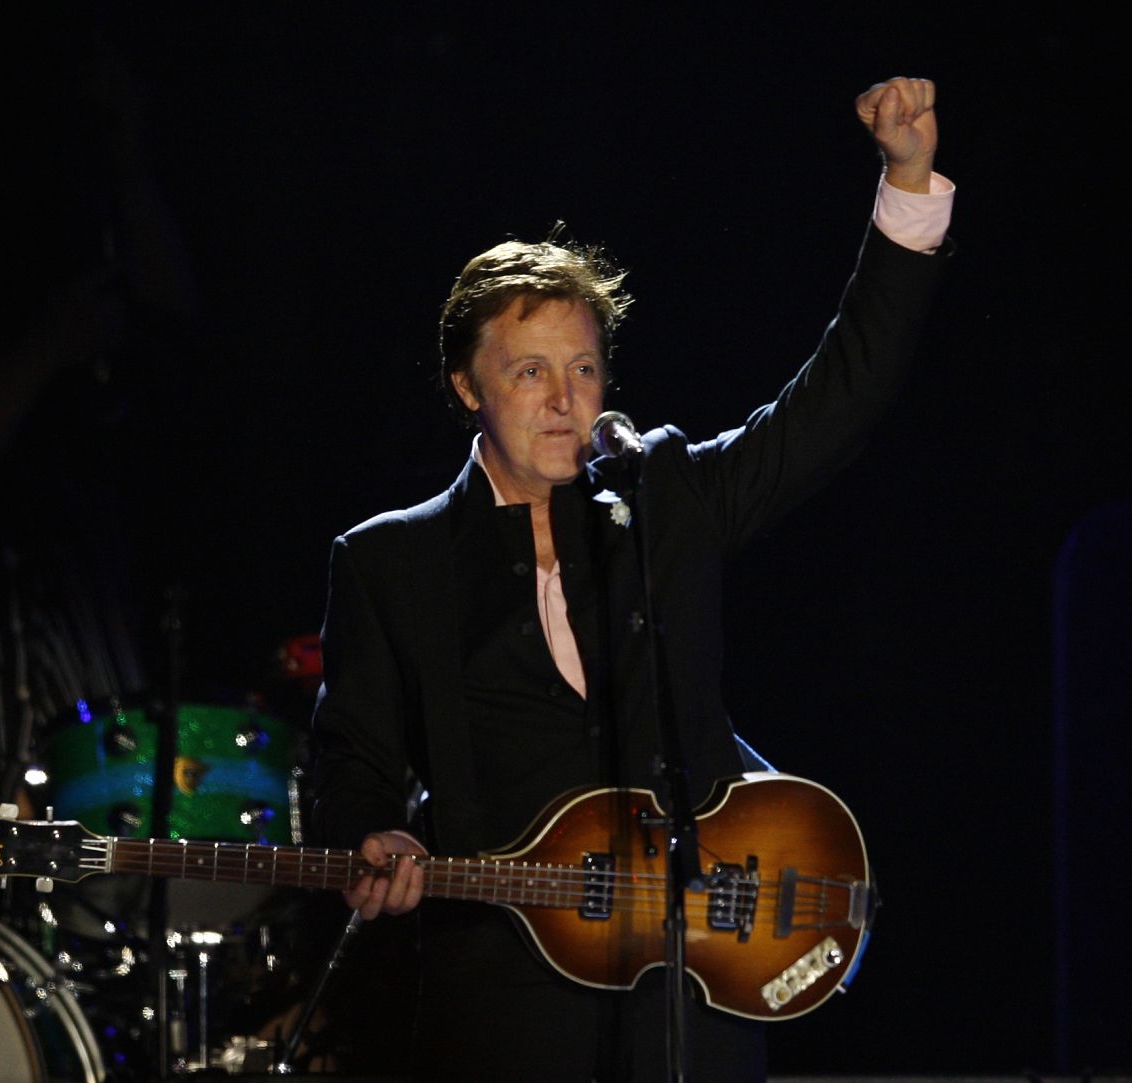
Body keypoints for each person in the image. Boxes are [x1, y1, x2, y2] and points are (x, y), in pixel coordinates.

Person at [309, 76, 954, 1080]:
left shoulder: (662, 495)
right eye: (529, 371)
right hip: (507, 1002)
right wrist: (371, 831)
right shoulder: (392, 559)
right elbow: (351, 758)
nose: (564, 401)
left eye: (582, 369)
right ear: (467, 386)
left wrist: (906, 185)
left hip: (693, 988)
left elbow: (838, 402)